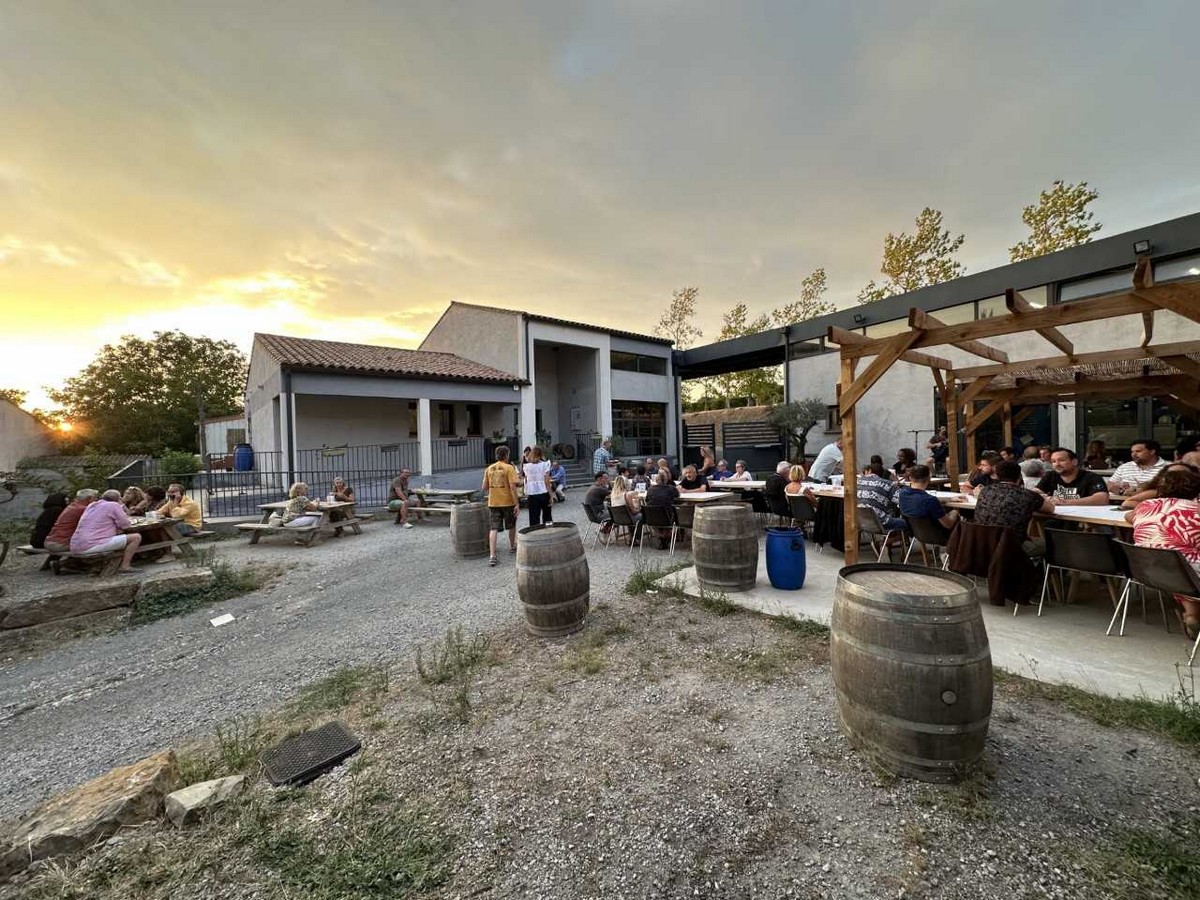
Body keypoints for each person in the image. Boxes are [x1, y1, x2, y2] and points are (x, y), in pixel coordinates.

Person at [1125, 466, 1200, 638]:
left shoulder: (1146, 506)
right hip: (1188, 574)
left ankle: (1192, 613)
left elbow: (1129, 516)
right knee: (1187, 560)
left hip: (1149, 572)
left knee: (1179, 560)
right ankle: (1193, 614)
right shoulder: (1196, 511)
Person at [975, 460, 1053, 555]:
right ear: (1019, 476)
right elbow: (1050, 509)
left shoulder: (985, 491)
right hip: (1014, 546)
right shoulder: (1028, 495)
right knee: (1048, 544)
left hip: (984, 544)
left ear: (998, 476)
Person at [71, 489, 143, 573]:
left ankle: (100, 566)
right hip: (92, 545)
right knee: (136, 537)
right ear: (118, 499)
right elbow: (125, 525)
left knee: (119, 536)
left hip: (75, 545)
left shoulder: (92, 505)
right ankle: (125, 566)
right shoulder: (113, 505)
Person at [483, 445, 521, 566]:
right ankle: (512, 546)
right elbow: (513, 487)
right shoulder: (509, 468)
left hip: (493, 502)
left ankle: (492, 555)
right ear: (506, 455)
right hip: (508, 502)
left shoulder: (489, 468)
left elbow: (484, 487)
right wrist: (517, 504)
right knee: (511, 525)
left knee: (493, 528)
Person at [1035, 448, 1110, 508]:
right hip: (1055, 516)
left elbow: (1102, 499)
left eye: (1061, 460)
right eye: (1053, 461)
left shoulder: (1092, 477)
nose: (1057, 464)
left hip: (1083, 518)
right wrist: (1040, 496)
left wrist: (1064, 502)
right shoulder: (1050, 476)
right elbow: (1037, 491)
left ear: (1074, 462)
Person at [898, 465, 960, 534]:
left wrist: (949, 499)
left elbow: (923, 500)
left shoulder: (903, 494)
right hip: (939, 536)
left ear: (910, 478)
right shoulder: (930, 500)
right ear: (929, 478)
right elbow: (948, 525)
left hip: (917, 534)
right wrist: (955, 512)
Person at [1120, 462, 1200, 509]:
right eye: (1172, 475)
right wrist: (1157, 509)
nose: (1176, 478)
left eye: (1181, 475)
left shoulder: (1196, 491)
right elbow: (1128, 502)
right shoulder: (1157, 491)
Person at [43, 489, 99, 553]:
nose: (97, 500)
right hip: (61, 544)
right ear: (89, 498)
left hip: (50, 541)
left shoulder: (72, 506)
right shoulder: (83, 509)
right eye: (96, 497)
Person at [857, 462, 906, 534]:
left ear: (869, 470)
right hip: (880, 522)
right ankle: (893, 539)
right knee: (905, 523)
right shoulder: (887, 484)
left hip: (859, 521)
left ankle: (890, 539)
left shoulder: (857, 482)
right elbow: (902, 501)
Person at [522, 445, 554, 527]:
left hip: (532, 494)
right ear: (541, 454)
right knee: (547, 516)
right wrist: (551, 495)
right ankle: (549, 531)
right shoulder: (545, 465)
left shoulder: (526, 466)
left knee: (534, 518)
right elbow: (547, 481)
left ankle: (534, 533)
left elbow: (526, 481)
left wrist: (525, 492)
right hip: (543, 492)